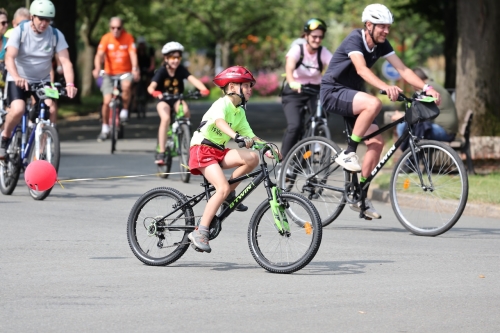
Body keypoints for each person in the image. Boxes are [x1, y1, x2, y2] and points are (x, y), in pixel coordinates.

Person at [320, 4, 440, 219]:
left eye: (388, 27)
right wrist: (385, 87)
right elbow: (361, 69)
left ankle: (360, 195)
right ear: (369, 25)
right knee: (374, 103)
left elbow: (403, 69)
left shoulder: (381, 44)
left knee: (376, 143)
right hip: (333, 91)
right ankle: (349, 152)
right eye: (382, 27)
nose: (386, 31)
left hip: (354, 96)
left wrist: (426, 88)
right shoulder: (354, 39)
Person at [187, 66, 277, 253]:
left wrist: (268, 148)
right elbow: (219, 122)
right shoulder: (223, 103)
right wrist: (235, 136)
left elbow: (251, 138)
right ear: (233, 87)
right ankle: (200, 231)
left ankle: (228, 195)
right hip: (202, 149)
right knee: (221, 187)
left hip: (218, 151)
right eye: (247, 86)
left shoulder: (240, 112)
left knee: (252, 158)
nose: (251, 89)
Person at [1, 0, 77, 159]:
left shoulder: (56, 34)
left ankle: (39, 154)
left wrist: (70, 84)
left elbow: (66, 62)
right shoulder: (19, 31)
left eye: (48, 20)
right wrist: (16, 77)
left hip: (42, 80)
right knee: (18, 109)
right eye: (40, 18)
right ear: (32, 17)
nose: (44, 23)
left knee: (50, 109)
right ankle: (5, 137)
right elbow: (9, 57)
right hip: (18, 78)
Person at [147, 41, 209, 164]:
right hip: (163, 100)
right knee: (165, 119)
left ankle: (185, 135)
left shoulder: (181, 70)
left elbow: (193, 80)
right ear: (166, 58)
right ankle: (162, 152)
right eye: (172, 57)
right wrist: (155, 92)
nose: (175, 60)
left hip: (177, 99)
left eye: (178, 57)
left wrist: (203, 89)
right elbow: (151, 87)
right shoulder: (162, 71)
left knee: (185, 111)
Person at [281, 18, 333, 159]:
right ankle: (282, 160)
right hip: (295, 90)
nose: (317, 40)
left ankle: (315, 137)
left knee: (323, 113)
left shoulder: (323, 52)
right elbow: (289, 67)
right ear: (306, 36)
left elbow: (334, 66)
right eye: (314, 36)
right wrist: (292, 82)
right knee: (295, 126)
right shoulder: (298, 49)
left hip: (315, 90)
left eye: (320, 37)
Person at [92, 16, 139, 142]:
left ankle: (124, 110)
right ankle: (105, 128)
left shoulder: (128, 38)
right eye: (113, 28)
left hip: (125, 72)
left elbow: (133, 54)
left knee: (126, 86)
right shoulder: (106, 38)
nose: (116, 30)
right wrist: (97, 68)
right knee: (107, 101)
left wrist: (135, 68)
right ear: (110, 28)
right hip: (109, 73)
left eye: (118, 28)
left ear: (122, 28)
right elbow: (99, 55)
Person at [392, 67, 458, 143]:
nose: (412, 87)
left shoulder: (427, 89)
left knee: (401, 126)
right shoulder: (432, 86)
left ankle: (410, 154)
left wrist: (400, 117)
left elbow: (418, 113)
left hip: (443, 131)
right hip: (448, 131)